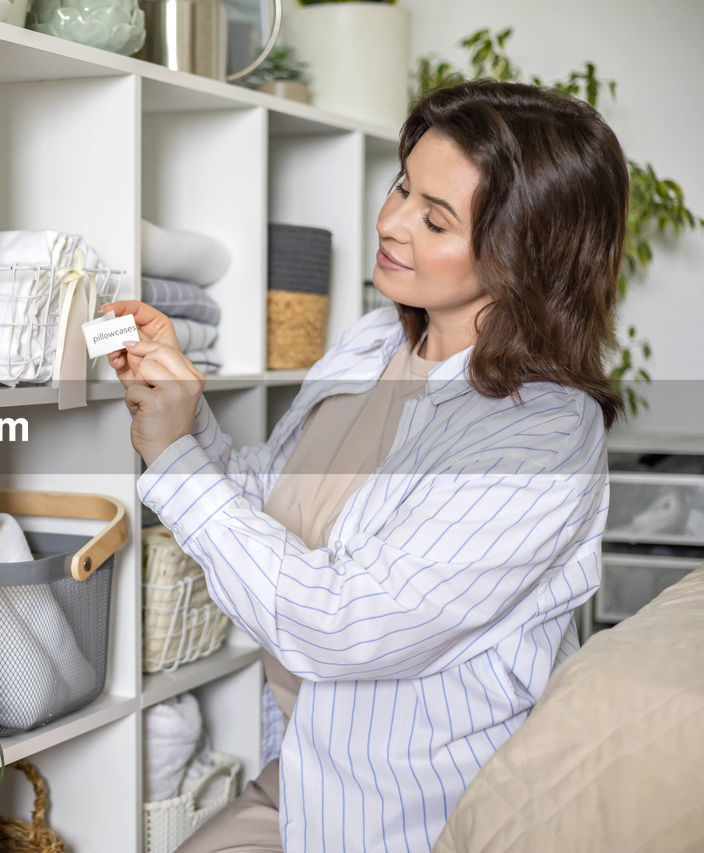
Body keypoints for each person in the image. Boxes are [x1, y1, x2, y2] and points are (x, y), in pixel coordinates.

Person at [106, 79, 629, 852]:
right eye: (402, 185)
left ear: (525, 250)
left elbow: (340, 625)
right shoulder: (374, 343)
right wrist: (181, 406)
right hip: (302, 771)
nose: (390, 222)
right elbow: (274, 495)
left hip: (421, 818)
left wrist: (177, 462)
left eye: (435, 217)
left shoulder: (543, 439)